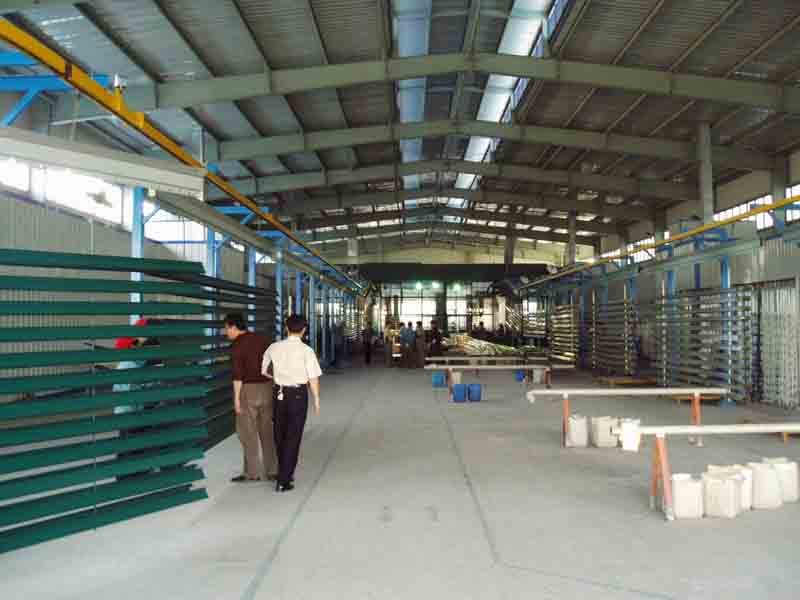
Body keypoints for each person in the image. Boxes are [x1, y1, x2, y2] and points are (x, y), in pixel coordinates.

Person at [262, 315, 322, 492]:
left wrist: (278, 379)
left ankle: (284, 471)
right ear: (304, 330)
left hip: (279, 393)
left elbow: (264, 370)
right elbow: (313, 377)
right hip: (297, 395)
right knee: (293, 436)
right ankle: (284, 479)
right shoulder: (306, 351)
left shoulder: (274, 347)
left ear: (286, 328)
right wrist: (316, 398)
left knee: (279, 434)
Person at [225, 313, 277, 483]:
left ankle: (252, 472)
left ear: (233, 327)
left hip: (248, 390)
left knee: (247, 432)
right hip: (267, 388)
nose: (226, 332)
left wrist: (236, 399)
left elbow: (237, 376)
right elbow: (272, 364)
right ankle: (272, 470)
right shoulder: (261, 340)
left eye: (227, 328)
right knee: (267, 430)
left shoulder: (237, 346)